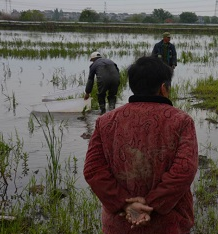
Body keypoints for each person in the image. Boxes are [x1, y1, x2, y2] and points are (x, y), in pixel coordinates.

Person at [83, 56, 198, 234]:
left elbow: (93, 170)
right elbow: (184, 170)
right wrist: (150, 204)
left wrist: (126, 205)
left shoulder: (105, 121)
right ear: (163, 88)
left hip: (120, 223)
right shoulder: (181, 121)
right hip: (168, 222)